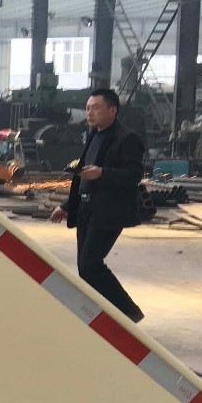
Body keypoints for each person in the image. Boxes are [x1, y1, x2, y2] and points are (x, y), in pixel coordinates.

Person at [49, 87, 144, 322]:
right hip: (86, 209)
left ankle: (128, 311)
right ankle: (102, 313)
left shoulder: (128, 138)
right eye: (88, 108)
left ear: (113, 110)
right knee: (84, 268)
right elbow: (83, 177)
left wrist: (103, 173)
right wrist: (67, 206)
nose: (89, 113)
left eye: (96, 108)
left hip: (109, 211)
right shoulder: (94, 134)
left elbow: (134, 174)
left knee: (91, 264)